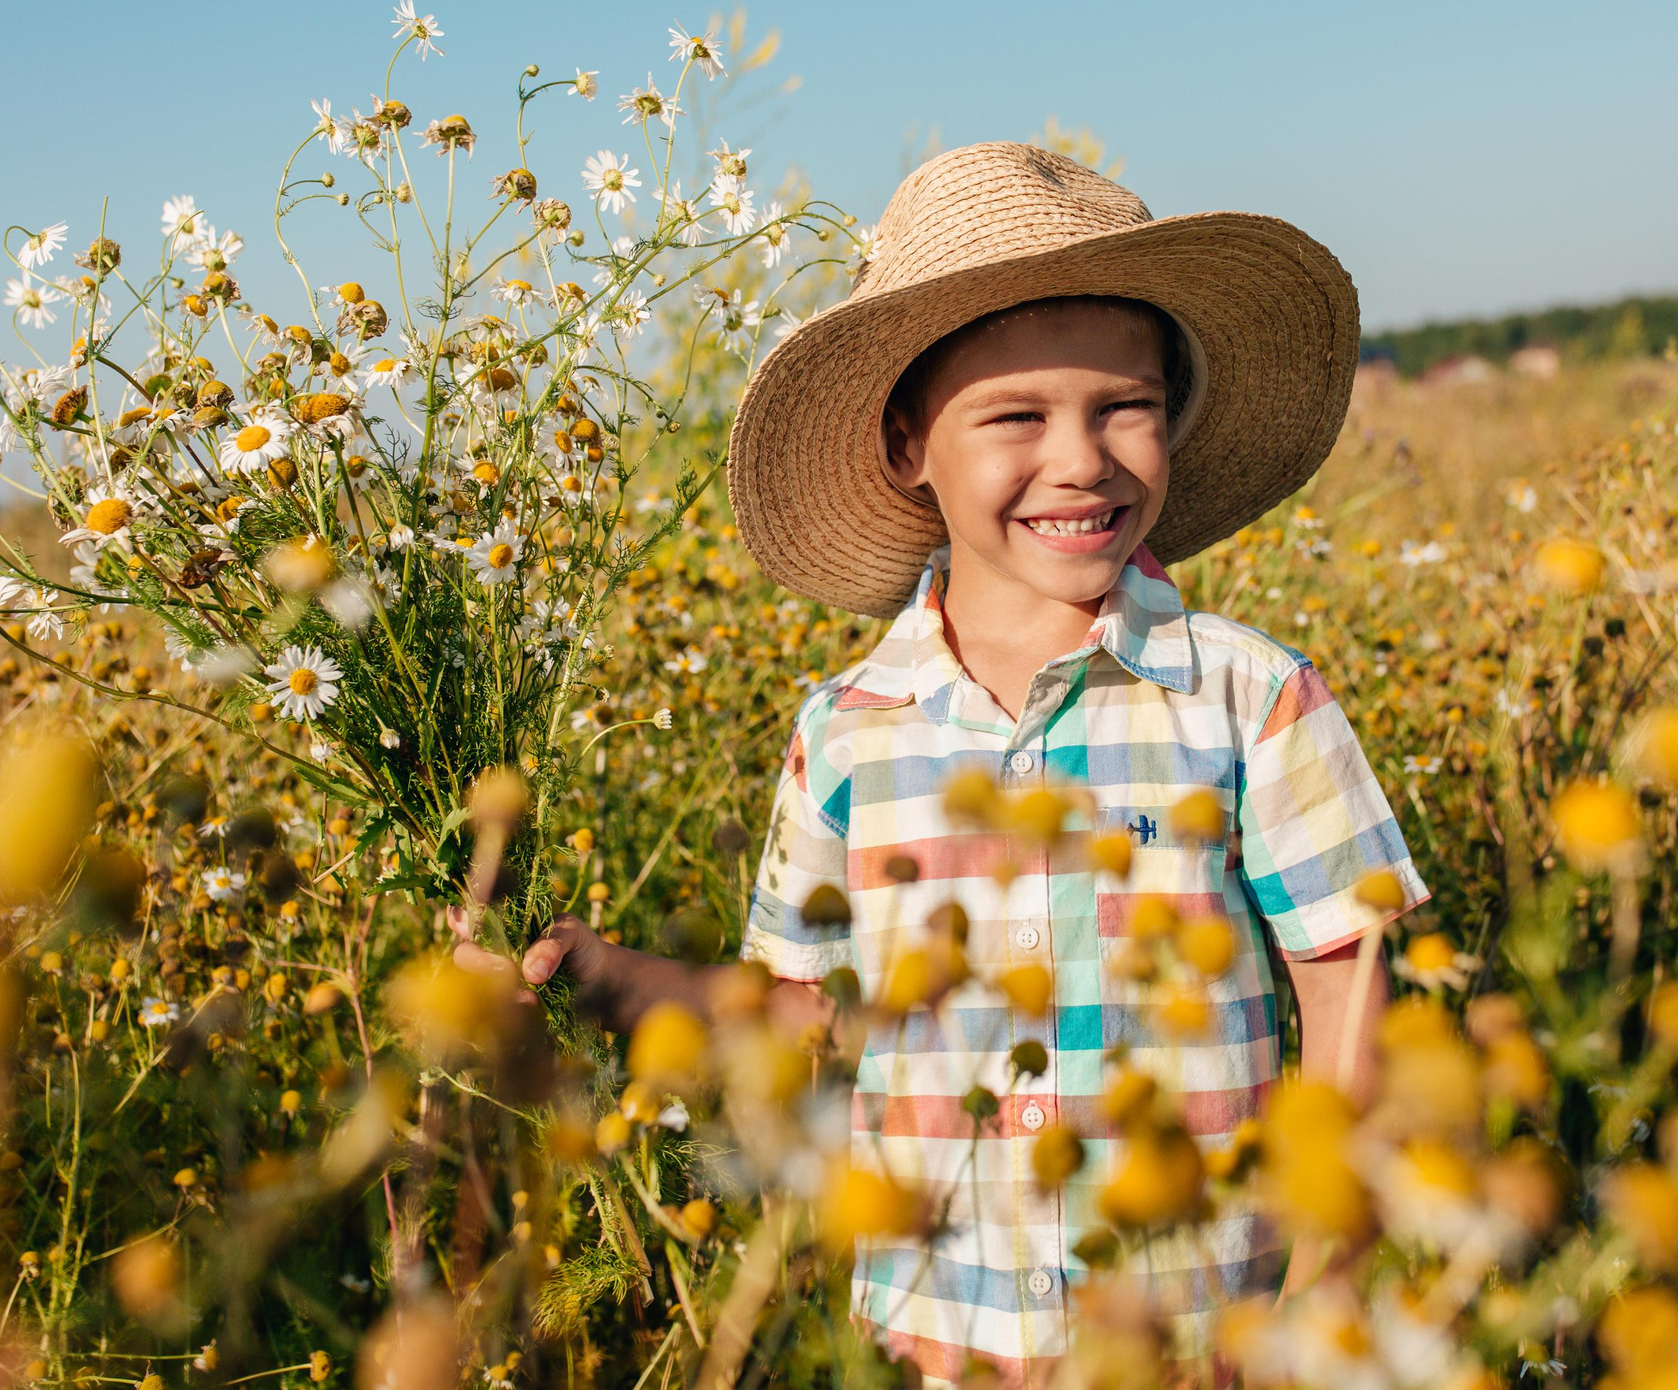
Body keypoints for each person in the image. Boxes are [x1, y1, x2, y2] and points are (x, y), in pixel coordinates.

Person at [465, 142, 1427, 1387]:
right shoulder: (845, 734)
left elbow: (1348, 987)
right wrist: (608, 978)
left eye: (1123, 406)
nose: (1081, 459)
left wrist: (1323, 1297)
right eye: (1017, 417)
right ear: (910, 444)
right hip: (932, 1348)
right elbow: (804, 1016)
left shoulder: (1251, 698)